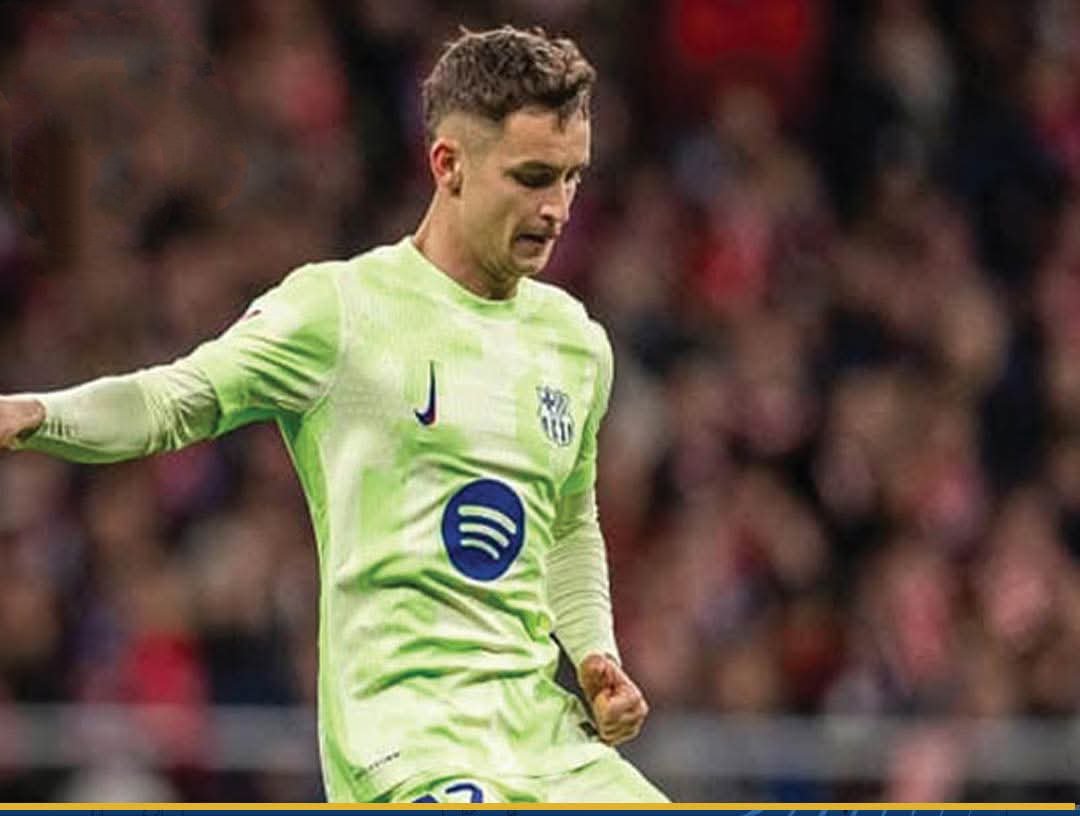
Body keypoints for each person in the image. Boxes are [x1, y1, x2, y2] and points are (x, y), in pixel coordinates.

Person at [0, 26, 668, 804]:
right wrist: (32, 413)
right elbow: (171, 401)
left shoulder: (575, 343)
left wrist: (593, 654)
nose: (556, 209)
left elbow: (568, 525)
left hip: (546, 742)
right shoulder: (340, 310)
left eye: (573, 178)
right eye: (532, 177)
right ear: (448, 164)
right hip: (409, 747)